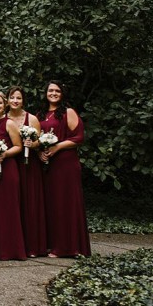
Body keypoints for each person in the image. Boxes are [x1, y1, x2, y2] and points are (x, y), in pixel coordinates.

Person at [39, 81, 91, 257]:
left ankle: (68, 247)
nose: (53, 93)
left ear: (62, 94)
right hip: (48, 166)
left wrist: (57, 147)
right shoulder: (41, 115)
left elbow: (79, 137)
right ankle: (52, 244)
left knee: (66, 204)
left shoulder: (68, 112)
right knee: (51, 204)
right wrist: (40, 153)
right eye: (50, 90)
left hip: (66, 164)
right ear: (45, 93)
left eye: (57, 91)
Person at [8, 85, 48, 257]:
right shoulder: (2, 117)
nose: (15, 101)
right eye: (12, 97)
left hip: (28, 165)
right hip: (10, 162)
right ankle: (15, 244)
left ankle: (32, 246)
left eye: (19, 98)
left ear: (23, 100)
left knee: (29, 202)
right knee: (13, 204)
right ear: (7, 100)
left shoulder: (31, 119)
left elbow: (40, 142)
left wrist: (33, 144)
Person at [0, 91, 26, 261]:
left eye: (0, 103)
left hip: (7, 168)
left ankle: (11, 249)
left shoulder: (9, 123)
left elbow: (18, 146)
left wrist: (5, 154)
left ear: (5, 105)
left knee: (7, 208)